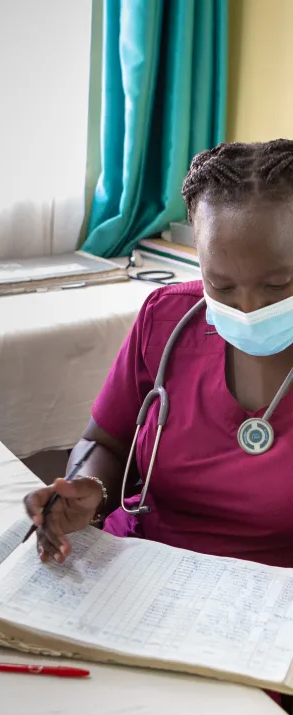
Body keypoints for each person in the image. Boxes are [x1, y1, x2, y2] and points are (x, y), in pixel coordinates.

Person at [24, 139, 293, 571]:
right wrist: (86, 490)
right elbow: (103, 442)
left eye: (277, 284)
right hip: (143, 571)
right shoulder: (167, 318)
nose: (247, 307)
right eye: (221, 285)